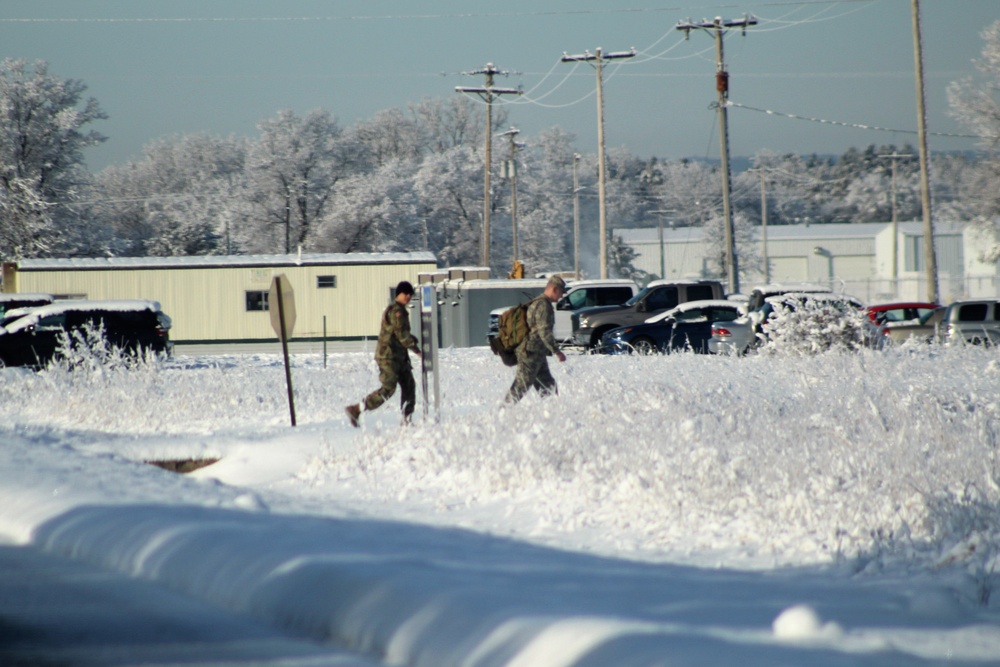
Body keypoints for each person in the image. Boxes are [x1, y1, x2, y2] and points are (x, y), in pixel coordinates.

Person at [346, 280, 421, 427]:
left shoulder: (400, 311)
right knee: (388, 388)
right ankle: (356, 409)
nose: (408, 297)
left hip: (399, 357)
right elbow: (402, 336)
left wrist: (412, 340)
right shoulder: (397, 312)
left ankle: (406, 420)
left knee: (409, 386)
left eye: (410, 295)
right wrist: (417, 350)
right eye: (406, 294)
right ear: (398, 294)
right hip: (388, 357)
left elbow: (400, 335)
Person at [506, 275, 567, 403]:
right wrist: (557, 351)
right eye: (561, 292)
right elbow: (544, 331)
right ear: (554, 290)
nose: (561, 296)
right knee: (521, 385)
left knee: (548, 385)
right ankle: (503, 411)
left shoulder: (539, 302)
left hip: (537, 353)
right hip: (530, 353)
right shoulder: (543, 305)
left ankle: (552, 412)